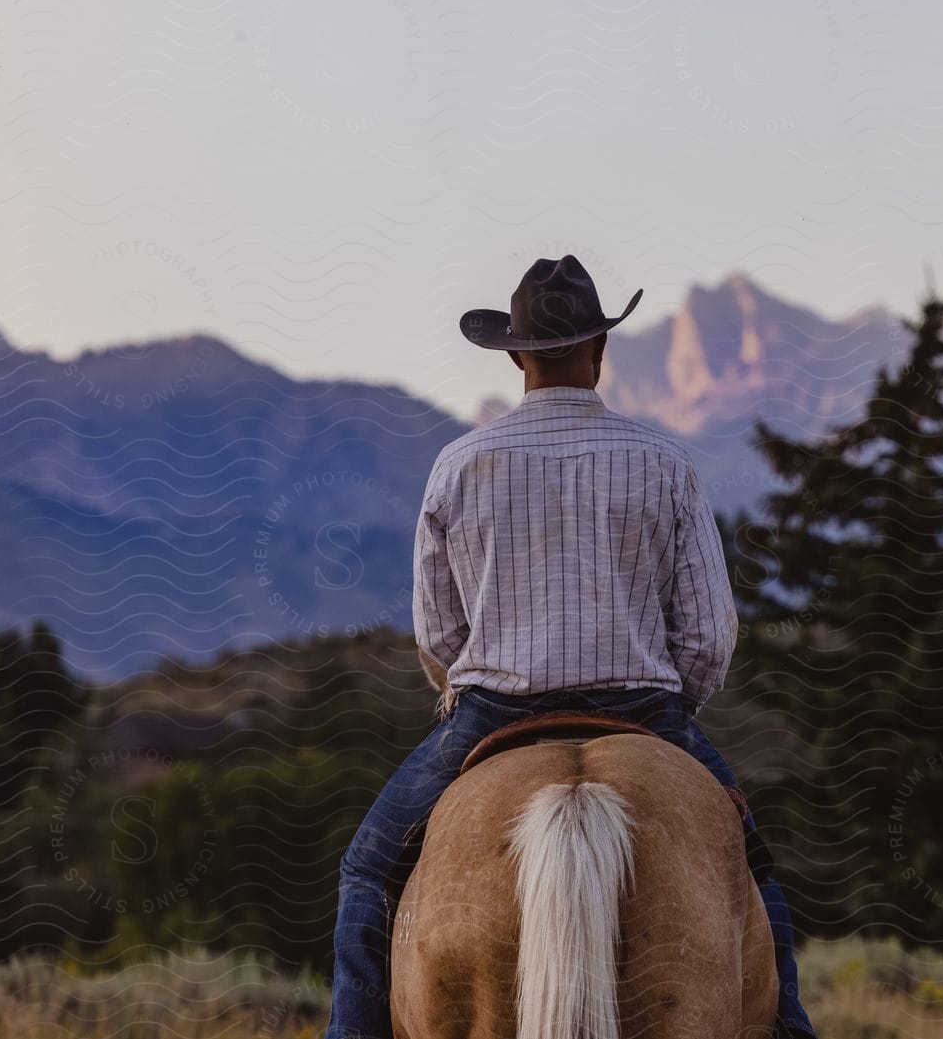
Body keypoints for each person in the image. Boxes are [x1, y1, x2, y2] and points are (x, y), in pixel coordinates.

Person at [324, 256, 818, 1039]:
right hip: (646, 711)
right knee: (755, 871)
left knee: (366, 874)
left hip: (490, 712)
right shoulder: (663, 462)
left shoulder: (459, 465)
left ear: (517, 355)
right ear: (600, 351)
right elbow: (708, 634)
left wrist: (475, 678)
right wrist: (669, 706)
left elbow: (439, 632)